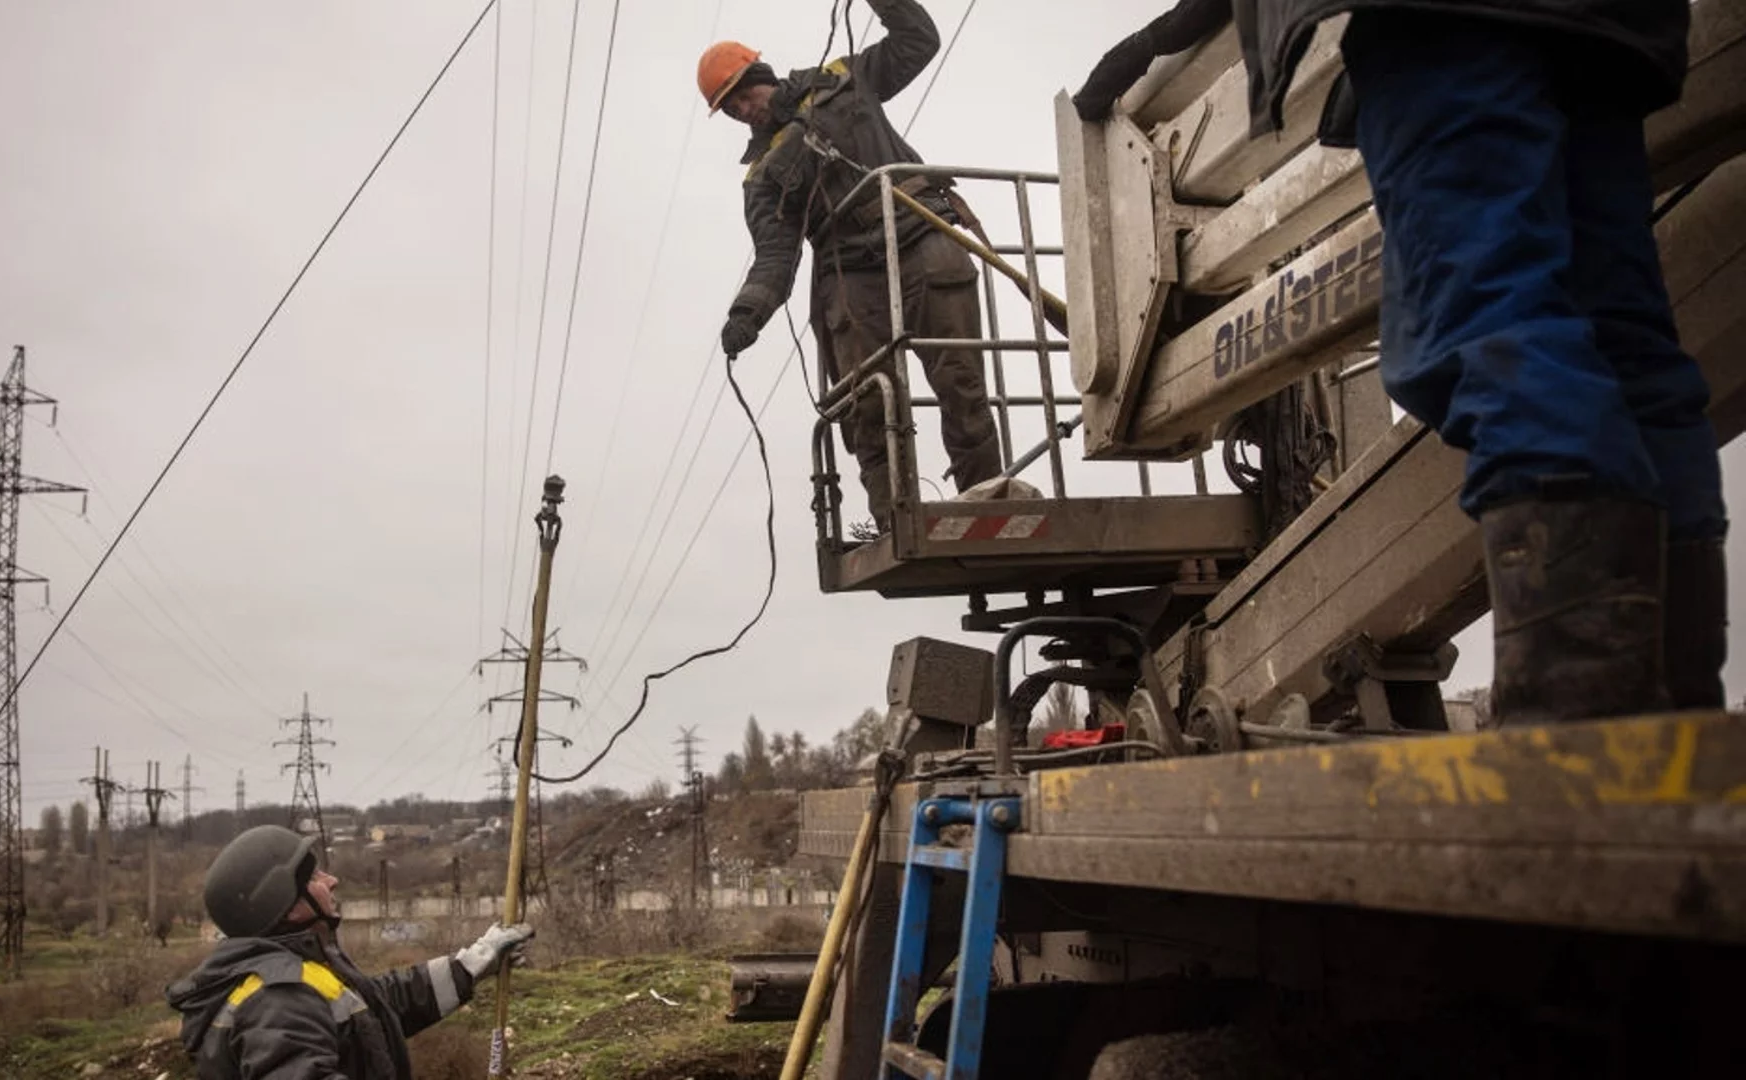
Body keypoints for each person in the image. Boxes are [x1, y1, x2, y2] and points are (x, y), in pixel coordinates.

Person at [1074, 0, 1725, 724]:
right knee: (1624, 343)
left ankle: (1575, 725)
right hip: (1611, 29)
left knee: (1494, 328)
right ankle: (1669, 710)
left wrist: (1165, 40)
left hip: (1440, 20)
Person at [702, 0, 1003, 535]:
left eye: (744, 95)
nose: (743, 110)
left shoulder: (844, 79)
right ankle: (899, 522)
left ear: (762, 76)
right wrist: (747, 312)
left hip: (917, 231)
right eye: (731, 108)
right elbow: (777, 254)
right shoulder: (763, 177)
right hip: (849, 270)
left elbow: (917, 41)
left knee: (960, 379)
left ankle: (988, 503)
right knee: (866, 404)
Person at [167, 825, 534, 1079]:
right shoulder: (277, 997)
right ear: (284, 902)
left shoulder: (300, 973)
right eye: (313, 877)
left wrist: (471, 966)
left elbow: (378, 1005)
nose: (331, 881)